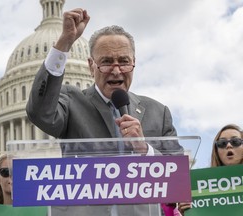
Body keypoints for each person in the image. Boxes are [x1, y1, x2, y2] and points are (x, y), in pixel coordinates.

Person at [26, 8, 183, 216]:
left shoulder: (158, 112)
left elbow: (180, 178)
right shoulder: (72, 101)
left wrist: (145, 150)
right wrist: (64, 42)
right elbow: (39, 113)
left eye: (124, 61)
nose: (116, 70)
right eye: (107, 62)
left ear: (134, 64)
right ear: (91, 66)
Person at [178, 123, 243, 215]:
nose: (228, 145)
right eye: (222, 143)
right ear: (216, 151)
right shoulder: (197, 185)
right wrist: (188, 212)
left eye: (235, 141)